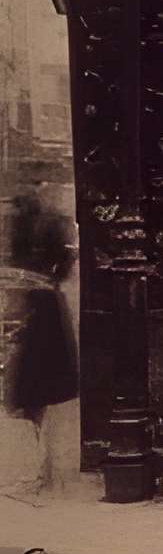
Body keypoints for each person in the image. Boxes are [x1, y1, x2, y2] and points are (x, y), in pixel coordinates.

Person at [3, 175, 78, 446]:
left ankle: (35, 424)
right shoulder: (28, 225)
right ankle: (34, 422)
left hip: (40, 301)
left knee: (37, 366)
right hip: (37, 298)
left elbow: (65, 257)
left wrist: (49, 278)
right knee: (34, 366)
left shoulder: (45, 225)